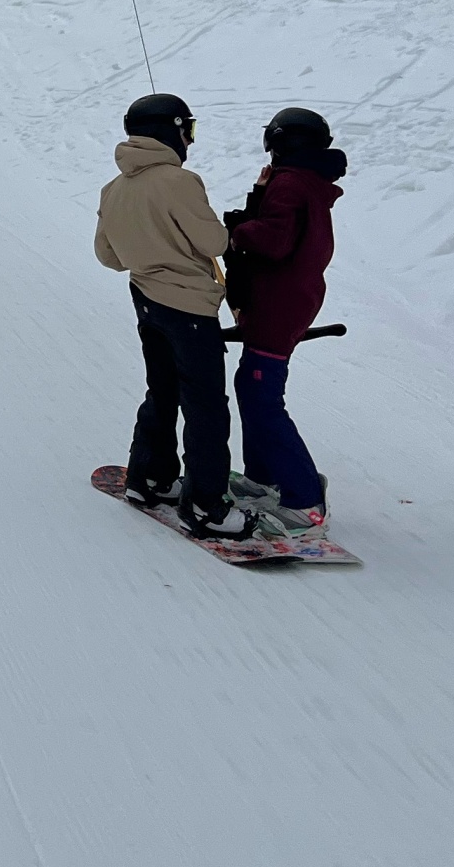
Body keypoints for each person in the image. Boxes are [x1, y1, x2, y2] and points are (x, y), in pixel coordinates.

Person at [94, 93, 233, 531]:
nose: (189, 138)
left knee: (162, 390)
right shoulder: (179, 181)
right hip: (189, 306)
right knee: (205, 404)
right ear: (170, 130)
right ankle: (206, 507)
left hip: (146, 299)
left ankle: (150, 477)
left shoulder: (113, 188)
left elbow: (109, 256)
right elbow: (214, 244)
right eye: (187, 129)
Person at [222, 107, 347, 539]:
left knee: (261, 397)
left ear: (279, 142)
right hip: (287, 298)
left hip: (280, 304)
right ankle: (263, 478)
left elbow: (273, 242)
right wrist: (257, 201)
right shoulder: (302, 182)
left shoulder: (291, 184)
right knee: (251, 387)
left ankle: (305, 498)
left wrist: (239, 230)